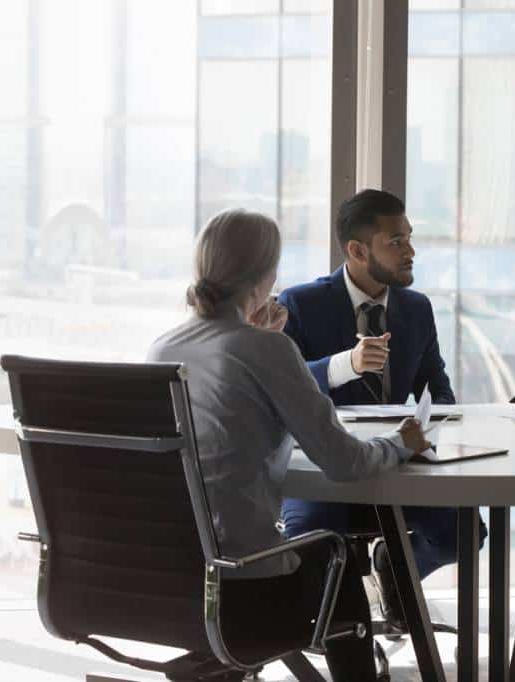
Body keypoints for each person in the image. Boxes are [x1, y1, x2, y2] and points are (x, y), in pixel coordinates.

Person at [148, 209, 432, 680]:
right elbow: (344, 462)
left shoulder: (163, 348)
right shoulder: (264, 349)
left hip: (175, 579)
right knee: (335, 562)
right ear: (266, 275)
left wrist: (261, 340)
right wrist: (400, 443)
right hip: (245, 581)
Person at [277, 189, 483, 628]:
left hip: (397, 460)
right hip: (325, 467)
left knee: (466, 532)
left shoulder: (416, 307)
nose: (410, 251)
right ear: (356, 250)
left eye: (409, 238)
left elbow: (437, 386)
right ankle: (341, 638)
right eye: (396, 242)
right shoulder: (300, 304)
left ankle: (396, 565)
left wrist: (436, 429)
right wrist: (342, 366)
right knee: (312, 541)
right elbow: (282, 386)